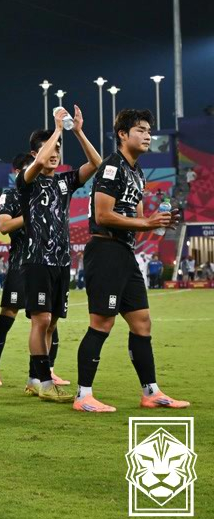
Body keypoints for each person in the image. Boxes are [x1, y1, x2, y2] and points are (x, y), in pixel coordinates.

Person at [75, 108, 189, 412]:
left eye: (149, 130)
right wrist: (146, 223)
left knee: (142, 323)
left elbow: (137, 218)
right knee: (102, 323)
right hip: (106, 251)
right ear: (123, 135)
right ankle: (83, 395)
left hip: (125, 254)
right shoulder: (112, 167)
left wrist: (156, 221)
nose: (148, 135)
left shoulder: (136, 172)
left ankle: (151, 391)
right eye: (141, 129)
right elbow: (103, 215)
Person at [16, 105, 101, 404]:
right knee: (41, 320)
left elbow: (97, 163)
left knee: (52, 324)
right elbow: (40, 160)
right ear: (35, 153)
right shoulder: (26, 181)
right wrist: (56, 130)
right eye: (48, 148)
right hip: (37, 260)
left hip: (62, 262)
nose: (54, 153)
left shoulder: (65, 181)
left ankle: (35, 378)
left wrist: (76, 131)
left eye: (57, 148)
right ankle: (44, 382)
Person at [0, 153, 32, 386]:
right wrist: (31, 213)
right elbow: (4, 226)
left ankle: (47, 370)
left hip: (45, 264)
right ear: (16, 172)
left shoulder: (46, 193)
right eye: (27, 168)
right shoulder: (11, 195)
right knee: (9, 314)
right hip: (20, 263)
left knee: (46, 317)